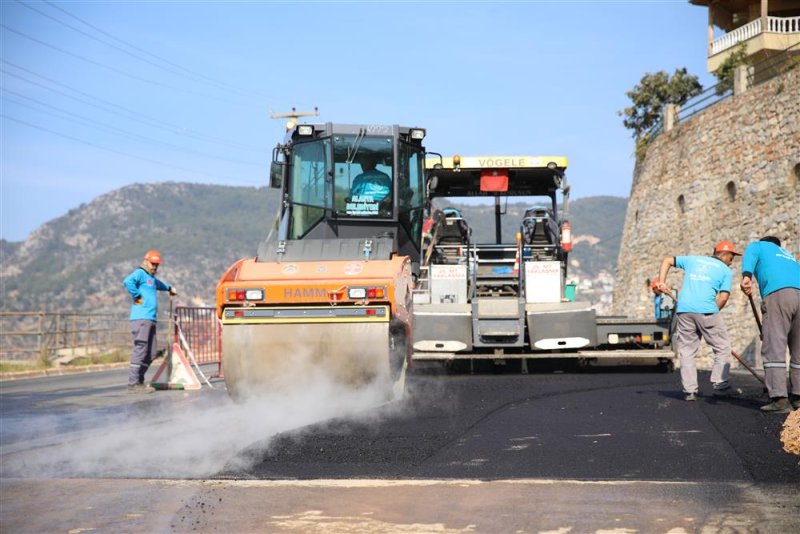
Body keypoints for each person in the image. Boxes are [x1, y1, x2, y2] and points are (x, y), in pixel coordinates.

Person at [653, 241, 740, 401]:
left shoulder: (694, 260)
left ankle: (690, 391)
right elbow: (723, 296)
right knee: (722, 347)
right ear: (725, 255)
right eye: (732, 257)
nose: (732, 261)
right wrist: (713, 312)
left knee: (687, 351)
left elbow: (667, 260)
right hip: (707, 310)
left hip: (685, 310)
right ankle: (721, 385)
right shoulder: (725, 271)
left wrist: (662, 281)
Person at [740, 236, 800, 413]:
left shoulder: (759, 246)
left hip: (779, 295)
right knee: (798, 349)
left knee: (774, 346)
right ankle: (798, 396)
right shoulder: (788, 255)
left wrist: (746, 276)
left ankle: (780, 399)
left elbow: (750, 252)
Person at [122, 249, 177, 393]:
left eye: (157, 265)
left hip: (151, 319)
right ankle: (133, 384)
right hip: (141, 318)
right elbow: (127, 281)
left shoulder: (151, 278)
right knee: (140, 349)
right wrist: (136, 295)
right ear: (146, 262)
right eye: (153, 264)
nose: (155, 267)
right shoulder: (140, 273)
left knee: (151, 353)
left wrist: (169, 288)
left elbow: (160, 284)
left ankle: (139, 381)